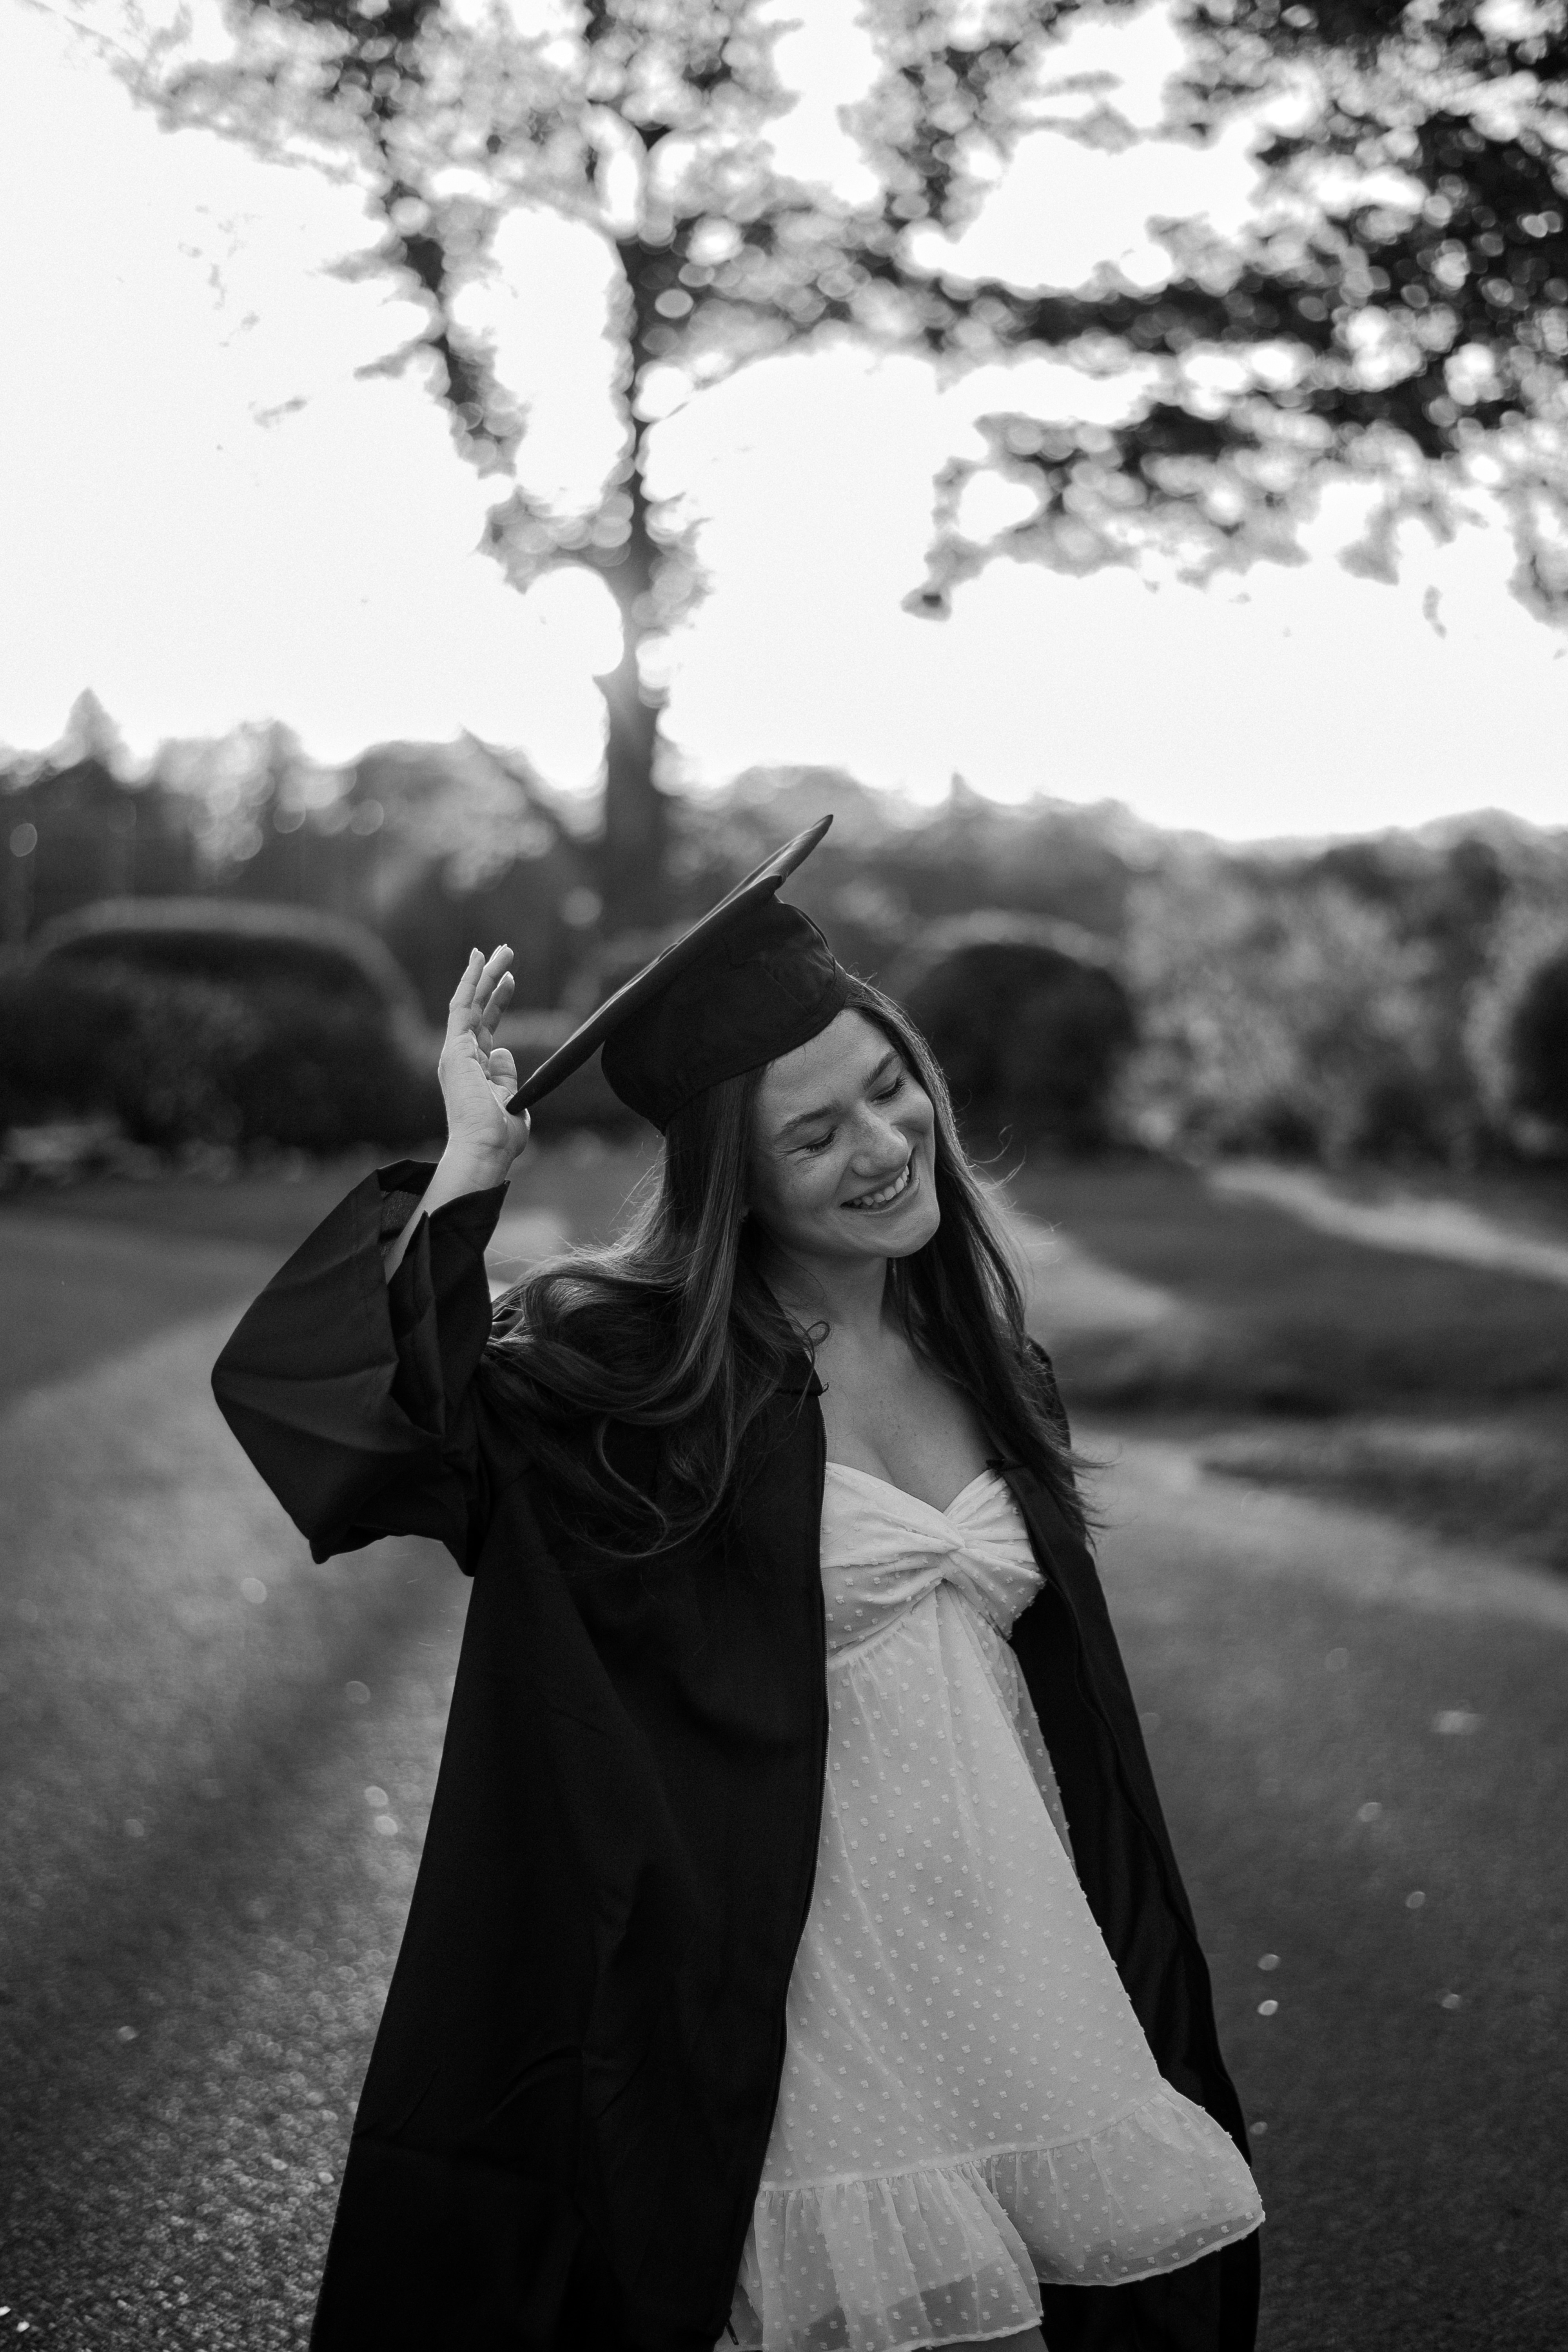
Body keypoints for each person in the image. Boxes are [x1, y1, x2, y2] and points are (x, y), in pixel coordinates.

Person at [213, 878, 1263, 2352]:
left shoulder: (985, 1353)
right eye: (814, 1135)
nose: (885, 1148)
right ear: (735, 1179)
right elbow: (371, 1438)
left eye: (892, 1090)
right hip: (787, 2014)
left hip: (1014, 1975)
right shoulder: (634, 1386)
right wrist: (469, 1167)